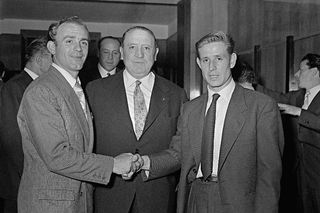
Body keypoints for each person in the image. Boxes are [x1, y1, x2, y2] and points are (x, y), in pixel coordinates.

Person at [139, 31, 284, 213]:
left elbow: (269, 174)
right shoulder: (190, 108)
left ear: (232, 61)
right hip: (195, 198)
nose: (212, 67)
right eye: (206, 60)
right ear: (199, 63)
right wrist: (142, 162)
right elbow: (178, 154)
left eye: (219, 59)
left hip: (239, 203)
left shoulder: (261, 106)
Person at [16, 16, 142, 213]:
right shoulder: (42, 91)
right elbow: (57, 156)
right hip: (50, 205)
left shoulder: (75, 87)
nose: (78, 48)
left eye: (83, 42)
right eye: (69, 41)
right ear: (51, 47)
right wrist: (113, 164)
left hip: (78, 202)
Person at [86, 26, 187, 213]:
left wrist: (147, 162)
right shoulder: (94, 91)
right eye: (132, 47)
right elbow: (85, 147)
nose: (139, 54)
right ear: (122, 52)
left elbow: (182, 151)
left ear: (155, 53)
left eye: (146, 48)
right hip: (109, 198)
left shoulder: (176, 94)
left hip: (157, 199)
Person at [256, 53, 320, 213]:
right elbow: (277, 97)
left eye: (301, 70)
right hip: (300, 171)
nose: (297, 75)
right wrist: (251, 85)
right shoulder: (299, 96)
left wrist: (299, 112)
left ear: (315, 72)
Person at [0, 37, 52, 213]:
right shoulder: (14, 87)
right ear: (39, 60)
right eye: (53, 58)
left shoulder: (40, 85)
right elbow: (12, 138)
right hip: (20, 180)